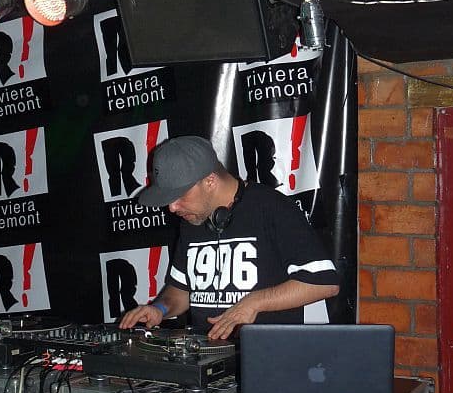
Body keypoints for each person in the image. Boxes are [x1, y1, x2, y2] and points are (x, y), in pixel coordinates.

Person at [119, 136, 339, 340]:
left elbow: (324, 283)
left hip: (268, 356)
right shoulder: (191, 220)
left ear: (210, 181)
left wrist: (254, 302)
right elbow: (181, 289)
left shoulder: (272, 208)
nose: (172, 207)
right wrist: (160, 308)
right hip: (206, 355)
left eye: (179, 196)